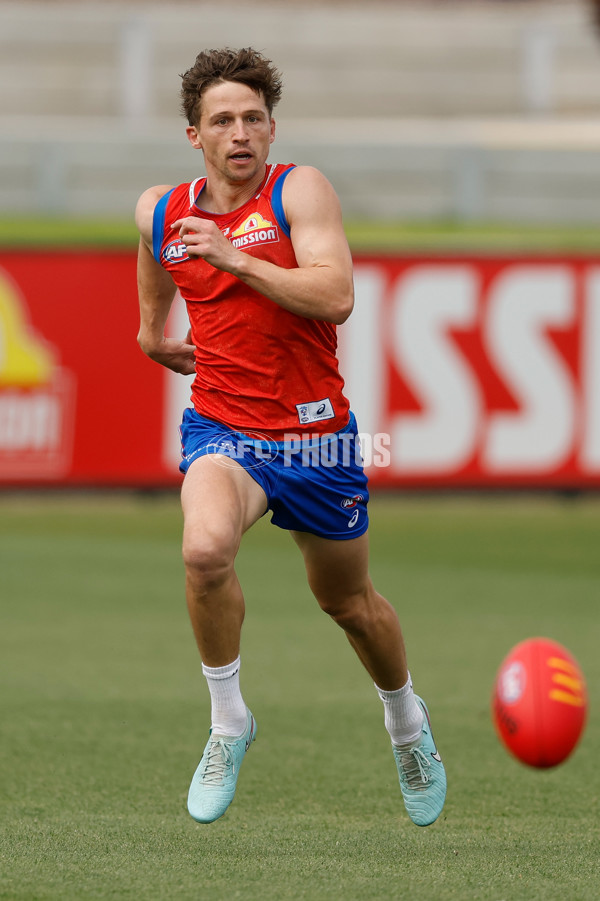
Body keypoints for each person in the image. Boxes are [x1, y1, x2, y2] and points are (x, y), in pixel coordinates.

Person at [135, 47, 446, 828]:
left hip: (315, 439)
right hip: (224, 428)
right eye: (222, 121)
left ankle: (407, 723)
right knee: (204, 549)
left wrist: (235, 255)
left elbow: (335, 294)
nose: (240, 133)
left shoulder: (297, 190)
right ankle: (228, 720)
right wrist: (148, 331)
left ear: (271, 127)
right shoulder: (166, 209)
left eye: (252, 118)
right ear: (193, 136)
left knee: (347, 602)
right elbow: (152, 240)